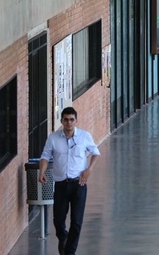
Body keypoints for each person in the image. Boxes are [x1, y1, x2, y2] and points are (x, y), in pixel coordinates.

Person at [39, 107, 100, 255]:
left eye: (72, 119)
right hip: (61, 184)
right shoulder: (53, 138)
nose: (69, 123)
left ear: (76, 121)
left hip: (79, 184)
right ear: (62, 121)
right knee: (58, 220)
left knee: (77, 221)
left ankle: (69, 252)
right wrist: (42, 171)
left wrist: (89, 169)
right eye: (66, 120)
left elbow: (95, 153)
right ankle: (63, 237)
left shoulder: (84, 136)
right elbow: (45, 156)